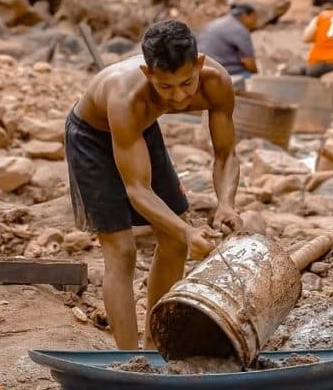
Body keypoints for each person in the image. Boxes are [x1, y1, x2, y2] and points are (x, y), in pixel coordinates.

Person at [65, 19, 242, 350]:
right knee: (122, 251)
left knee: (174, 243)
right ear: (148, 75)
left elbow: (227, 153)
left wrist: (227, 203)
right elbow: (137, 190)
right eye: (165, 87)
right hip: (92, 137)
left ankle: (155, 348)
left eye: (187, 83)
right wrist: (189, 231)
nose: (178, 97)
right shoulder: (127, 97)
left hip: (140, 131)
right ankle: (131, 360)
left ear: (199, 65)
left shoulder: (216, 81)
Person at [196, 2, 259, 80]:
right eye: (255, 18)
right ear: (245, 16)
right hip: (226, 72)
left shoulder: (217, 22)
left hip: (203, 69)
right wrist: (258, 76)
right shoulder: (239, 29)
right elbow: (248, 62)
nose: (256, 23)